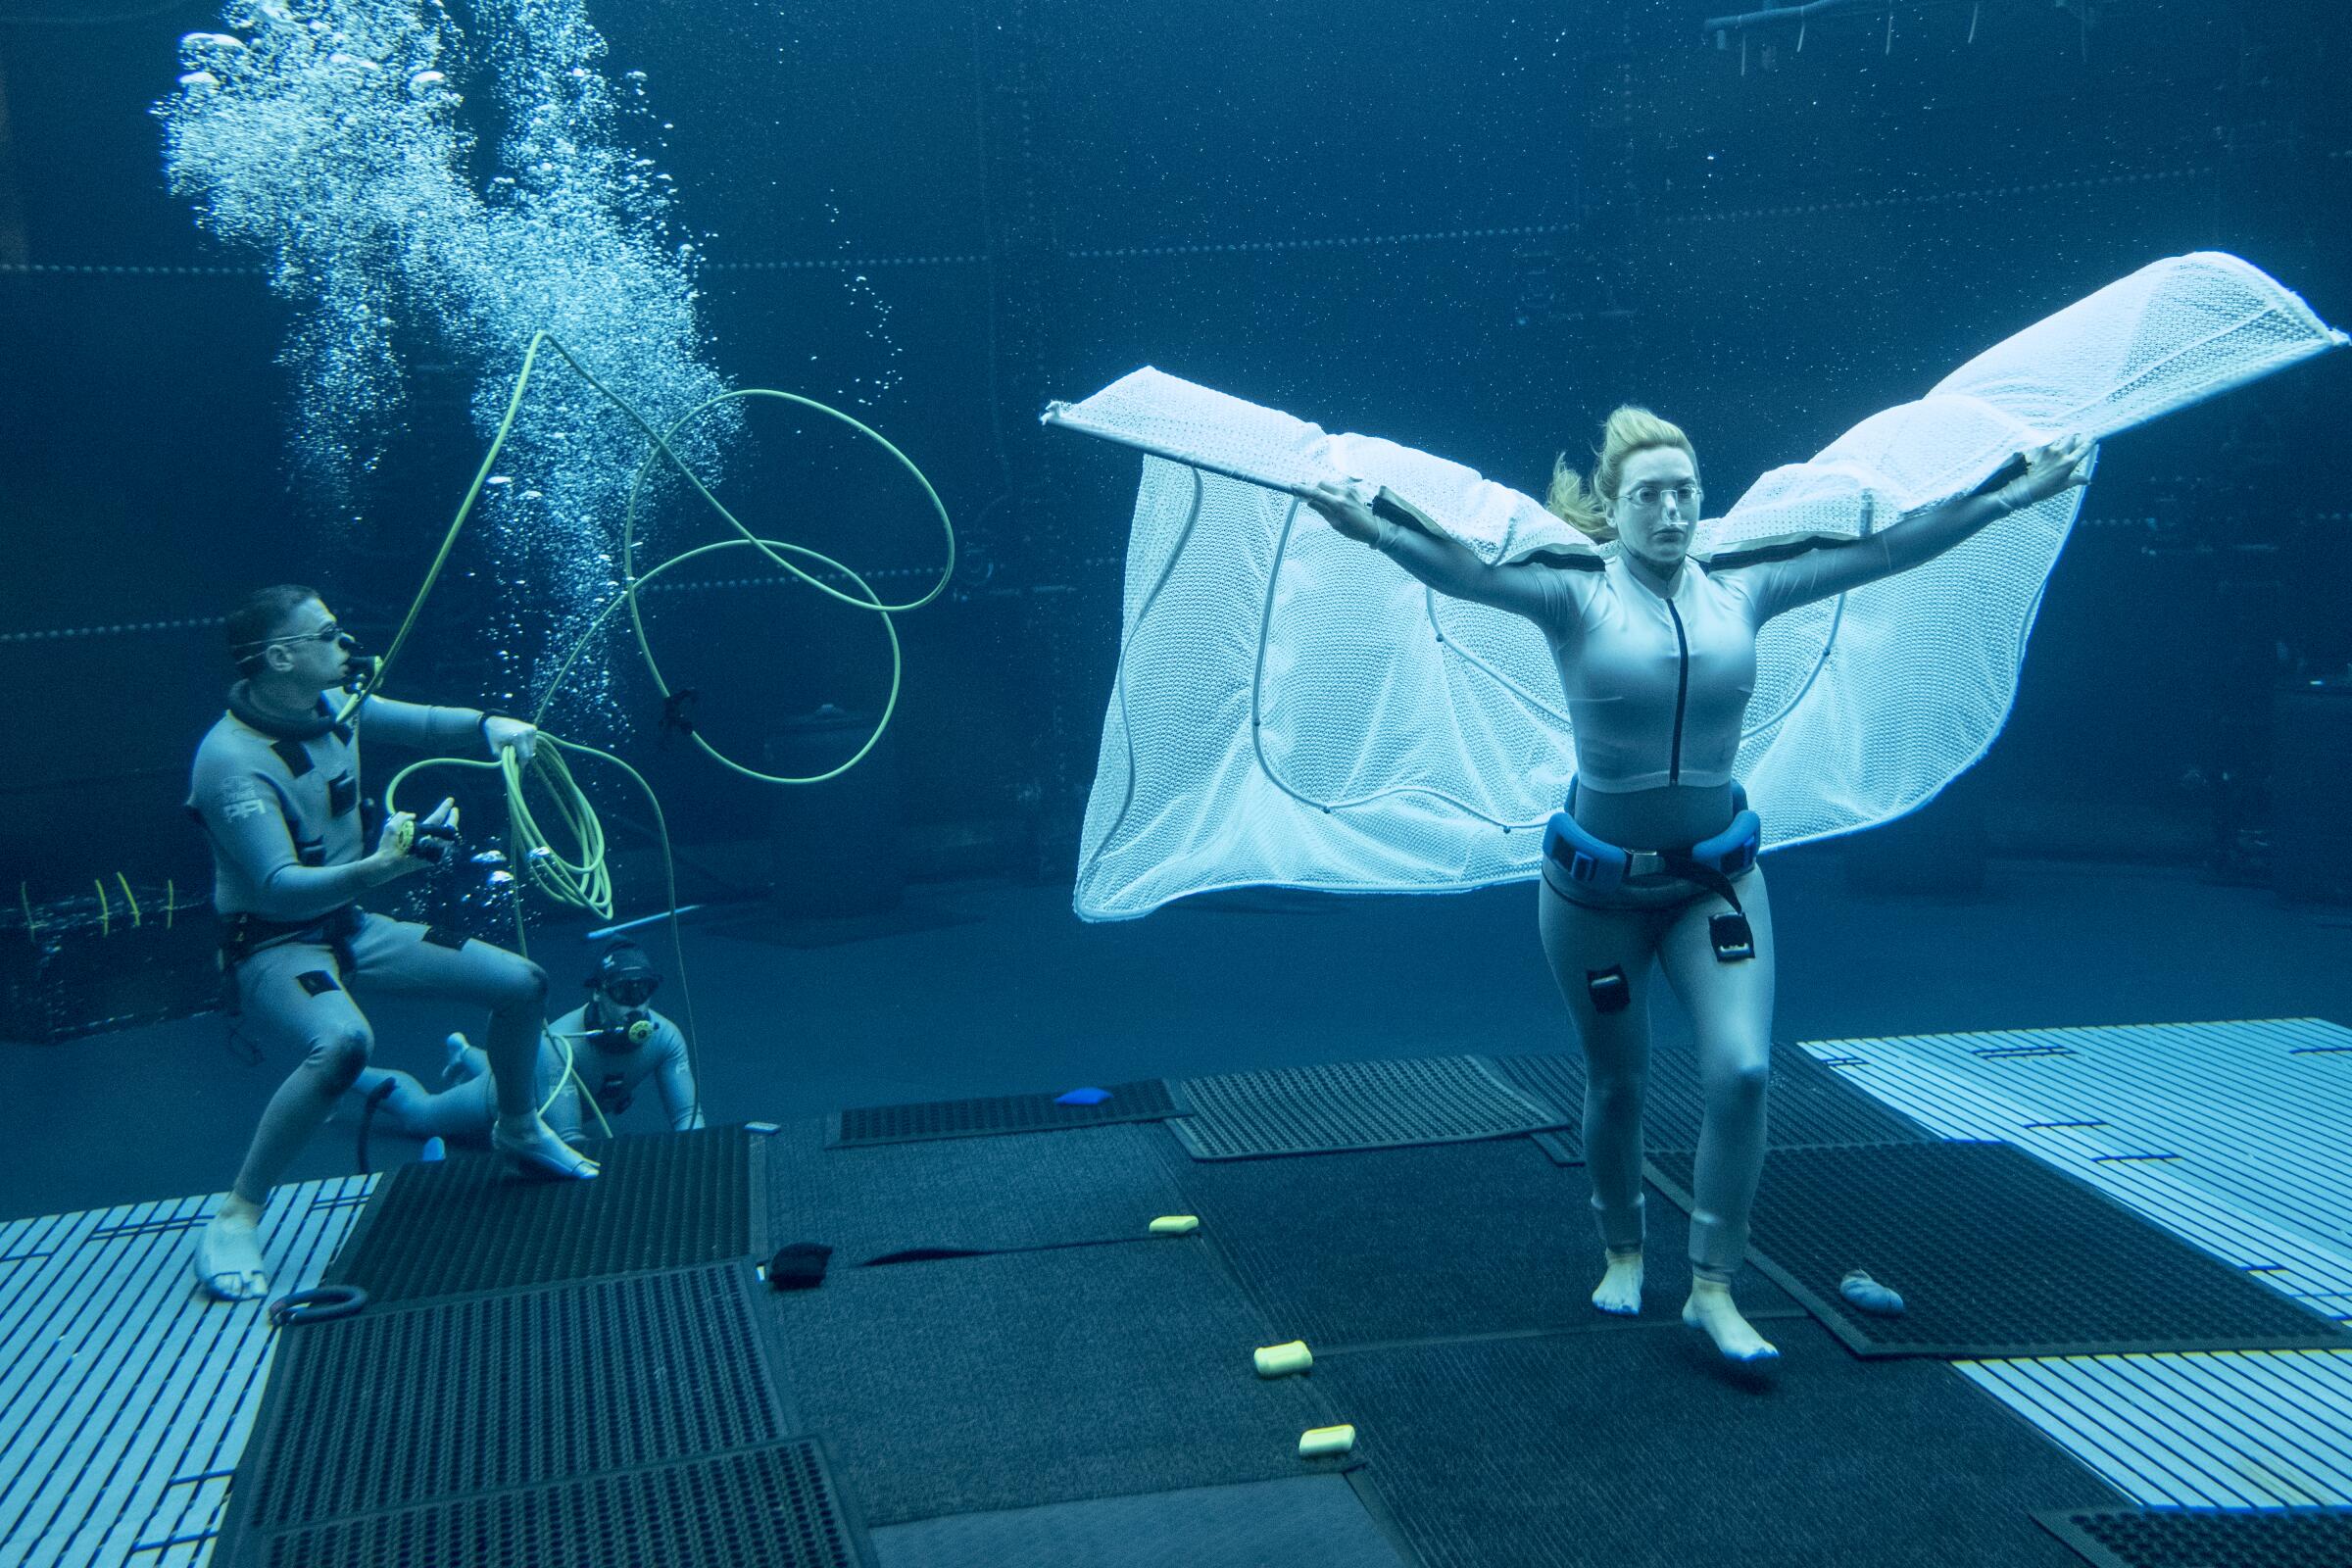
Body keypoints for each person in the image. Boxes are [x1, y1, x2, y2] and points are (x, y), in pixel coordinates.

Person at [1298, 413, 2091, 1364]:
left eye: (1685, 493)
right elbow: (1466, 569)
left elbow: (1888, 547)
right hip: (1593, 898)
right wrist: (1369, 525)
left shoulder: (1747, 585)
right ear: (1617, 507)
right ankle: (1624, 1245)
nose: (1670, 511)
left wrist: (2014, 490)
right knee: (1618, 1081)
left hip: (1713, 884)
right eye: (1648, 496)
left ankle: (1713, 1285)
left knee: (1745, 1071)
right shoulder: (1574, 595)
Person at [187, 584, 598, 1303]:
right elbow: (279, 887)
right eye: (329, 634)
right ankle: (237, 1212)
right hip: (277, 947)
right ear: (281, 657)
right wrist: (384, 866)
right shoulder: (231, 761)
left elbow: (427, 725)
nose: (347, 645)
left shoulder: (335, 708)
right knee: (344, 1044)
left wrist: (489, 724)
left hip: (354, 927)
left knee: (522, 983)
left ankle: (518, 1127)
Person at [350, 939, 705, 1149]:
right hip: (507, 1097)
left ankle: (464, 1053)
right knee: (419, 1116)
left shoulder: (665, 1037)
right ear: (598, 993)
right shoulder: (561, 1046)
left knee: (522, 1064)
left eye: (643, 990)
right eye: (623, 992)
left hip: (542, 1077)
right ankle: (351, 1071)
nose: (636, 1003)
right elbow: (568, 1138)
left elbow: (688, 1116)